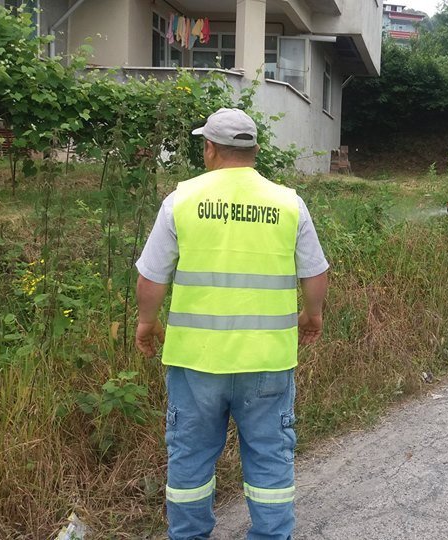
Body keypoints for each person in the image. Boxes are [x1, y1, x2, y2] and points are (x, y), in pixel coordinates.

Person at [134, 107, 329, 540]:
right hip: (267, 361)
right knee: (269, 458)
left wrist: (146, 324)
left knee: (190, 458)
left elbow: (151, 278)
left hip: (195, 361)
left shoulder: (181, 199)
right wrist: (311, 316)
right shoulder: (287, 202)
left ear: (209, 149)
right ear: (255, 150)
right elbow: (315, 274)